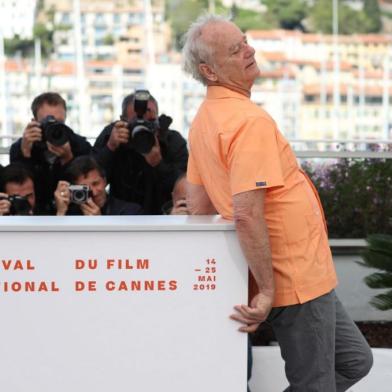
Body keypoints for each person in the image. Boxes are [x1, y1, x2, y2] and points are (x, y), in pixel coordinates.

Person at [182, 14, 373, 391]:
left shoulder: (204, 119)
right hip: (292, 279)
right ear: (210, 70)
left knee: (354, 361)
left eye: (246, 40)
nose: (249, 50)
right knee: (314, 383)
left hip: (306, 276)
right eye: (236, 50)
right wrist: (266, 290)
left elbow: (199, 205)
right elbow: (246, 214)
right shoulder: (246, 121)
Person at [93, 90, 188, 214]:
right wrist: (110, 147)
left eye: (150, 122)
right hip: (121, 216)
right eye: (136, 122)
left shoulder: (172, 141)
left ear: (158, 120)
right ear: (123, 120)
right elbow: (92, 178)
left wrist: (158, 164)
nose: (143, 127)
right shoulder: (112, 135)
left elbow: (184, 188)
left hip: (161, 217)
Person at [10, 92, 92, 213]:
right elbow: (21, 188)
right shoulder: (21, 147)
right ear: (35, 121)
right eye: (48, 121)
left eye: (59, 122)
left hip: (71, 212)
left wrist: (68, 159)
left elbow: (85, 186)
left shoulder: (79, 145)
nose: (54, 126)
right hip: (35, 213)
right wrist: (26, 154)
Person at [55, 155, 142, 216]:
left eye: (96, 183)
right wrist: (60, 212)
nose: (94, 192)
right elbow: (57, 241)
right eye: (85, 188)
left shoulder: (129, 211)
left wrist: (99, 223)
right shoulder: (69, 214)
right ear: (74, 189)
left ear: (104, 181)